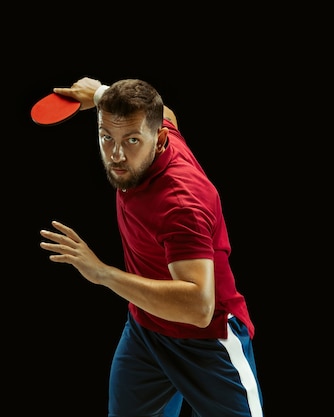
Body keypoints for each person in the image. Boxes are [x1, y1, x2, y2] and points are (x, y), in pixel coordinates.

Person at [39, 77, 263, 417]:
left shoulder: (181, 204)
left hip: (207, 341)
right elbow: (164, 112)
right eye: (106, 137)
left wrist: (102, 273)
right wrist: (100, 93)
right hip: (146, 331)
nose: (116, 154)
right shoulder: (157, 134)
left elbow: (198, 308)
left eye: (131, 140)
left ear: (158, 140)